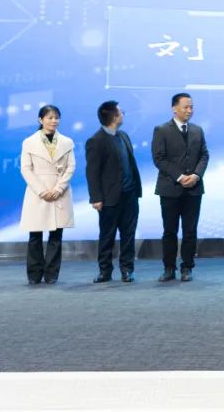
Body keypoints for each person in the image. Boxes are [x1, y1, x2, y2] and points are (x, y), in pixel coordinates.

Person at [151, 93, 209, 283]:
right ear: (174, 108)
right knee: (170, 231)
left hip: (194, 189)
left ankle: (187, 267)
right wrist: (180, 176)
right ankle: (169, 268)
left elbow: (204, 155)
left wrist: (196, 175)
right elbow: (159, 159)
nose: (189, 110)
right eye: (185, 107)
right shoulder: (161, 130)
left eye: (191, 107)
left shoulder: (197, 130)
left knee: (190, 231)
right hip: (170, 188)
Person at [86, 101, 142, 283]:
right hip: (109, 197)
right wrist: (96, 197)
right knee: (107, 235)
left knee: (129, 234)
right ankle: (105, 271)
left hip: (130, 195)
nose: (123, 114)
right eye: (121, 112)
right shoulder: (96, 140)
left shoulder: (124, 136)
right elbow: (92, 172)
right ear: (114, 117)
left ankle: (127, 269)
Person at [19, 105, 75, 285]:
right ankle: (34, 274)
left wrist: (59, 188)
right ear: (40, 120)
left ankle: (51, 274)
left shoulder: (67, 142)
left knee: (56, 235)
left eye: (56, 117)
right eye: (50, 117)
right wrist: (42, 190)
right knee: (35, 235)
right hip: (38, 193)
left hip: (59, 192)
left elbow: (71, 167)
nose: (54, 121)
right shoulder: (29, 142)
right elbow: (26, 169)